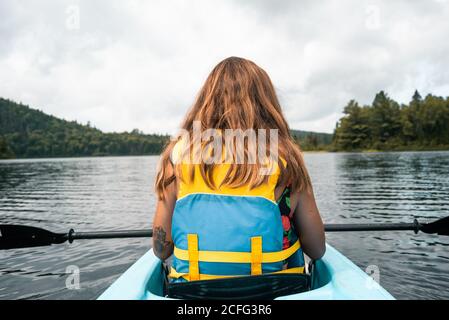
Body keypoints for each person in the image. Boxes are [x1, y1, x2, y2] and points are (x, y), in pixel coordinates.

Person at [153, 57, 325, 282]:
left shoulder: (176, 156)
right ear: (266, 103)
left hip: (193, 292)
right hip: (276, 291)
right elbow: (316, 249)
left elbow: (161, 250)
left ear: (207, 100)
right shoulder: (287, 159)